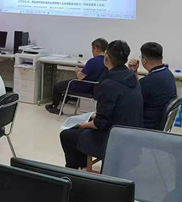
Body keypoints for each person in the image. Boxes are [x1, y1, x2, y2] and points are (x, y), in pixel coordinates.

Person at [60, 40, 143, 170]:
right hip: (130, 131)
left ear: (106, 57)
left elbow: (101, 123)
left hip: (113, 137)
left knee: (67, 135)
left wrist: (85, 124)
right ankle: (82, 164)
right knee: (83, 126)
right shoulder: (131, 76)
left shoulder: (109, 84)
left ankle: (73, 171)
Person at [45, 38, 108, 115]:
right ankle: (60, 105)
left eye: (92, 49)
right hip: (95, 88)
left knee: (58, 86)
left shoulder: (93, 61)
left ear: (96, 48)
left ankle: (55, 107)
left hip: (84, 86)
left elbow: (80, 77)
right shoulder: (107, 61)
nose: (92, 51)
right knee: (66, 86)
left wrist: (78, 71)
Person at [128, 42, 178, 130]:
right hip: (158, 124)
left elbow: (132, 102)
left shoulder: (147, 82)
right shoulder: (168, 74)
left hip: (146, 127)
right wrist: (134, 72)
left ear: (144, 61)